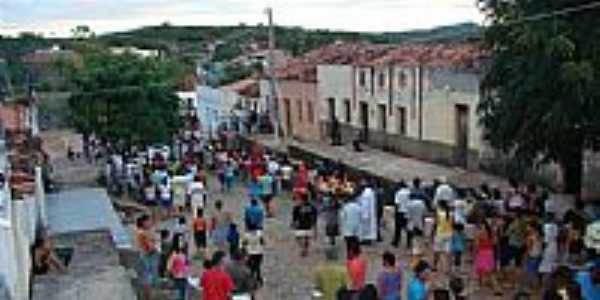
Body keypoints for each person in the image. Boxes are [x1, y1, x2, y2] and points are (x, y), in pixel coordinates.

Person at [135, 214, 158, 300]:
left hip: (143, 255)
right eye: (149, 221)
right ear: (144, 222)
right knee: (148, 278)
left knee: (146, 277)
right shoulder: (143, 233)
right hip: (147, 256)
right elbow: (150, 247)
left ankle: (147, 296)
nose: (150, 223)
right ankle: (149, 296)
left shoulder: (140, 232)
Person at [433, 200, 453, 273]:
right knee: (448, 252)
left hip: (440, 233)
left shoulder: (439, 213)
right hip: (449, 233)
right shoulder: (451, 214)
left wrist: (432, 233)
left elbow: (435, 224)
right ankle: (448, 268)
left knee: (437, 250)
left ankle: (435, 266)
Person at [474, 221, 495, 289]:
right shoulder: (491, 234)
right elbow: (494, 242)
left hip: (482, 252)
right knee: (488, 269)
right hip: (490, 252)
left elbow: (476, 244)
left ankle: (481, 284)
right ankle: (489, 283)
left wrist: (475, 252)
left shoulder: (480, 234)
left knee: (480, 269)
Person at [539, 213, 559, 283]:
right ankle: (551, 279)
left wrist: (542, 248)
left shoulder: (546, 226)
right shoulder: (555, 226)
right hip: (554, 245)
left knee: (544, 264)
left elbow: (546, 239)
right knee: (552, 263)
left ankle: (543, 281)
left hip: (548, 246)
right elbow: (556, 236)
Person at [524, 220, 542, 290]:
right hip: (538, 254)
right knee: (535, 271)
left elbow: (529, 247)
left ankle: (532, 287)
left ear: (532, 227)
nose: (526, 227)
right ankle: (536, 286)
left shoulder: (531, 236)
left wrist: (526, 254)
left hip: (532, 254)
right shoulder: (539, 234)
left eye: (528, 226)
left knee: (530, 272)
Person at [392, 181, 410, 248]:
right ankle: (408, 243)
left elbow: (397, 203)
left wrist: (395, 212)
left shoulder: (398, 193)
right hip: (408, 211)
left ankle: (396, 242)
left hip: (400, 212)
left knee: (398, 228)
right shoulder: (409, 192)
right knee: (408, 228)